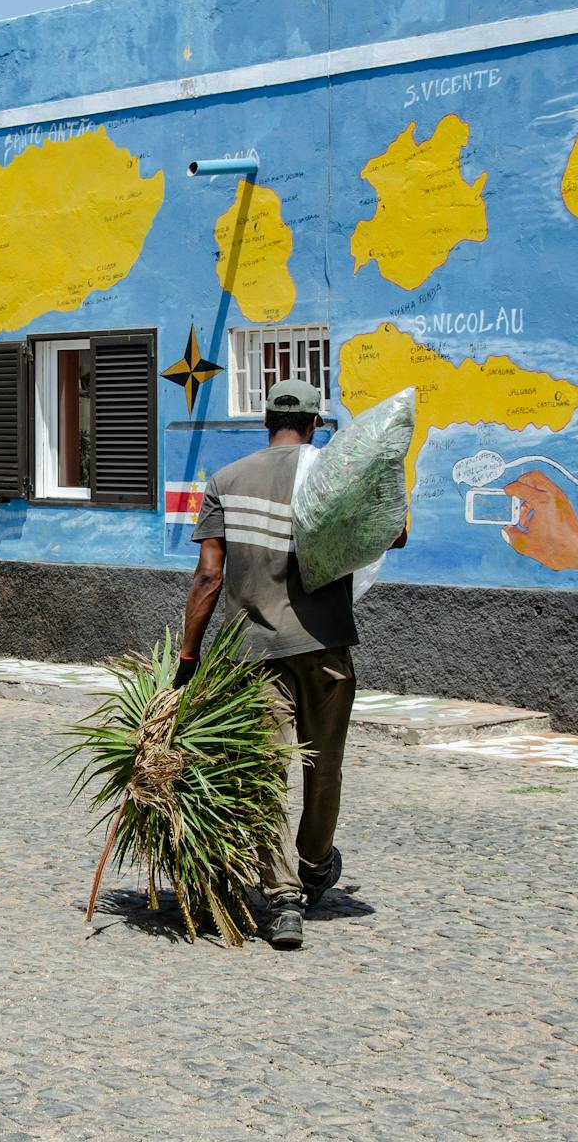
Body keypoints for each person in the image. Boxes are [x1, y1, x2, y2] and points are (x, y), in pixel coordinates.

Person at [176, 378, 405, 950]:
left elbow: (209, 576)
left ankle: (282, 900)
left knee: (266, 773)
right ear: (314, 424)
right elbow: (394, 534)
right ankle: (317, 862)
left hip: (253, 654)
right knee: (322, 767)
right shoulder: (333, 475)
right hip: (325, 646)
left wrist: (188, 654)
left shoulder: (226, 481)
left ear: (266, 422)